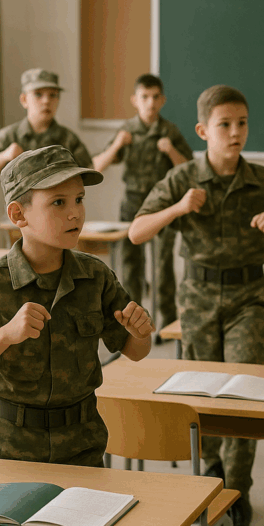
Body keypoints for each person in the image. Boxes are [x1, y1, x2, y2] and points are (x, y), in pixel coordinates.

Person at [129, 84, 264, 526]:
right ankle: (209, 477)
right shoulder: (183, 178)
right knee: (202, 392)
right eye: (224, 124)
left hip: (249, 296)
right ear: (203, 130)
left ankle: (238, 493)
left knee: (244, 392)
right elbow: (137, 231)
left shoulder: (263, 181)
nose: (235, 132)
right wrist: (178, 208)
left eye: (242, 123)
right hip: (198, 297)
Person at [0, 146, 154, 468]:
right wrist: (5, 335)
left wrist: (140, 333)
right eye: (58, 203)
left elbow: (136, 351)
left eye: (79, 200)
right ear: (18, 215)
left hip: (82, 442)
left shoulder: (95, 276)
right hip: (11, 446)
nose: (75, 213)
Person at [92, 74, 193, 340]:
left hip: (162, 206)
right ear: (135, 100)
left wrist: (170, 150)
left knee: (163, 267)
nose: (150, 103)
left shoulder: (169, 131)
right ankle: (133, 326)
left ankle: (167, 325)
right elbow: (97, 166)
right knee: (130, 267)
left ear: (163, 100)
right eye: (144, 97)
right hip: (133, 205)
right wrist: (118, 143)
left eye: (155, 97)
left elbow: (188, 169)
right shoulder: (127, 131)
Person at [0, 68, 92, 180]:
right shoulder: (10, 135)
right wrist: (5, 155)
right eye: (38, 94)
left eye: (53, 95)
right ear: (24, 100)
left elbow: (89, 170)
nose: (46, 101)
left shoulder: (68, 138)